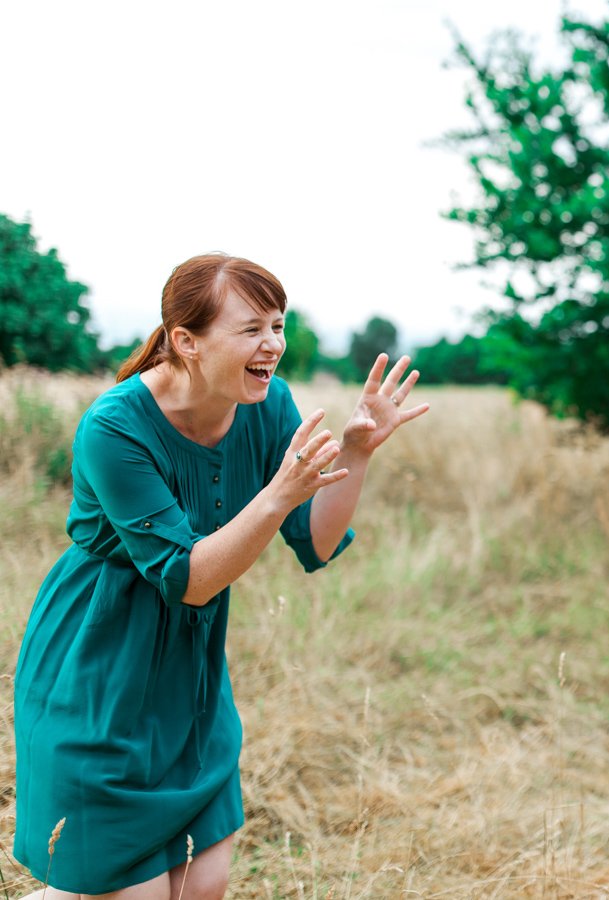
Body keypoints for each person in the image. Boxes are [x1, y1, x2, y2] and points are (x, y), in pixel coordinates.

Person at [11, 254, 429, 900]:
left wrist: (356, 452)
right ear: (186, 342)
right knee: (137, 895)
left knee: (201, 886)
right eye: (252, 329)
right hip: (97, 670)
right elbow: (189, 578)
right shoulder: (114, 427)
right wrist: (276, 495)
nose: (274, 346)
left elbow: (314, 542)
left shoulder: (267, 406)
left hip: (190, 679)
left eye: (279, 325)